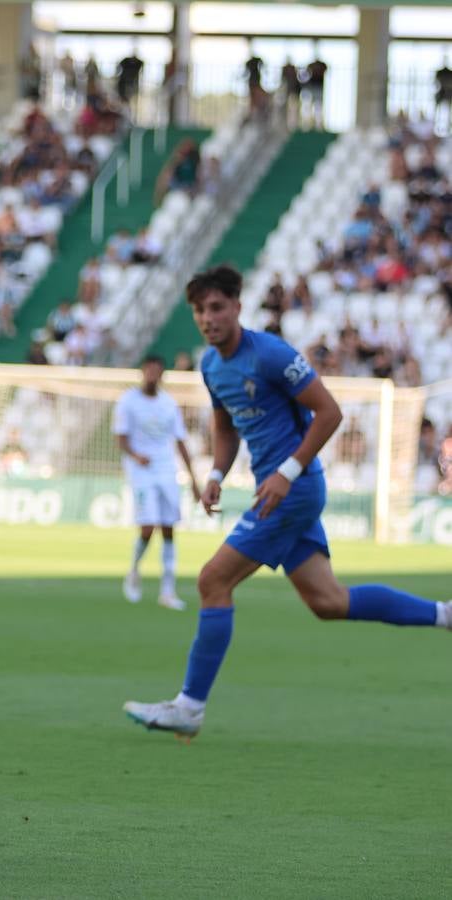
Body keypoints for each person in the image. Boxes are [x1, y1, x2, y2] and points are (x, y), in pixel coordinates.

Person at [123, 265, 450, 741]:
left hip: (293, 490)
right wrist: (215, 472)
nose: (208, 318)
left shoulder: (271, 354)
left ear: (237, 306)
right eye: (199, 310)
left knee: (213, 580)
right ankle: (443, 614)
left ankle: (189, 707)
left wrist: (286, 472)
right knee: (328, 601)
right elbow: (226, 427)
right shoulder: (212, 366)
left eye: (216, 307)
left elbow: (329, 411)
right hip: (277, 488)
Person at [113, 355, 201, 611]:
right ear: (143, 371)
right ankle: (134, 569)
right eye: (149, 370)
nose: (153, 375)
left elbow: (181, 441)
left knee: (169, 528)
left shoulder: (168, 404)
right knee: (148, 527)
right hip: (141, 471)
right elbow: (121, 437)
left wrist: (194, 480)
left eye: (157, 371)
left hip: (166, 469)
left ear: (162, 375)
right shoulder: (128, 401)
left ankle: (168, 590)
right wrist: (134, 455)